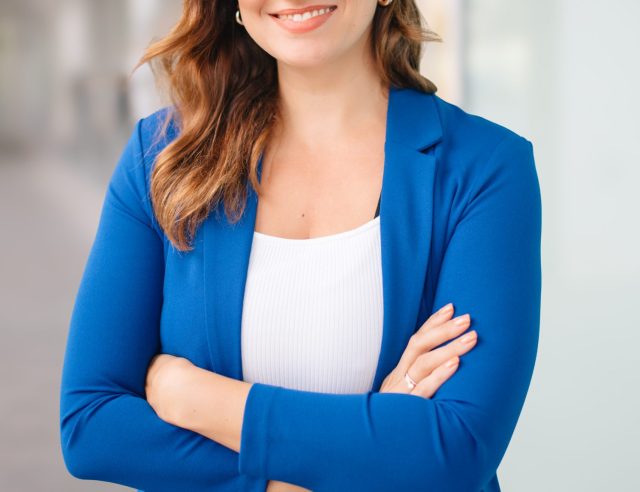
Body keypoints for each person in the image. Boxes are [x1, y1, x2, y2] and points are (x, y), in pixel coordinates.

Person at [59, 1, 542, 491]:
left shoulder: (486, 169)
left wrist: (198, 399)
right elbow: (91, 424)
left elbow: (454, 451)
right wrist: (324, 467)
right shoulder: (161, 157)